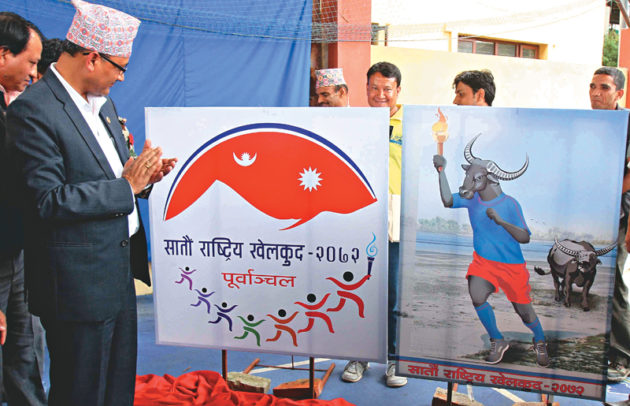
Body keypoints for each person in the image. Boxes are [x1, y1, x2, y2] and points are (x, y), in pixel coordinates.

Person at [6, 1, 176, 405]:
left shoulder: (103, 106)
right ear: (92, 58)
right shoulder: (35, 110)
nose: (121, 78)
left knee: (116, 386)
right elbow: (47, 200)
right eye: (119, 67)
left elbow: (114, 176)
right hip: (76, 284)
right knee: (81, 391)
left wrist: (143, 176)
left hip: (117, 273)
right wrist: (126, 187)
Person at [341, 61, 407, 388]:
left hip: (396, 225)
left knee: (394, 297)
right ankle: (360, 356)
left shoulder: (413, 123)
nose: (380, 95)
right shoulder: (356, 123)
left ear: (398, 91)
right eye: (374, 88)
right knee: (361, 294)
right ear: (366, 89)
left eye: (387, 89)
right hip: (361, 222)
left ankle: (396, 361)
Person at [0, 12, 47, 406]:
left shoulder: (8, 105)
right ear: (3, 54)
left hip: (14, 248)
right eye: (31, 62)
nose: (35, 73)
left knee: (23, 341)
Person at [589, 67, 630, 386]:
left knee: (614, 282)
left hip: (616, 215)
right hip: (587, 214)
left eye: (603, 87)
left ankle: (621, 357)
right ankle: (591, 347)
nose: (595, 92)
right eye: (592, 86)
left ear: (619, 93)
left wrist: (608, 195)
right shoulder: (586, 123)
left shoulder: (627, 123)